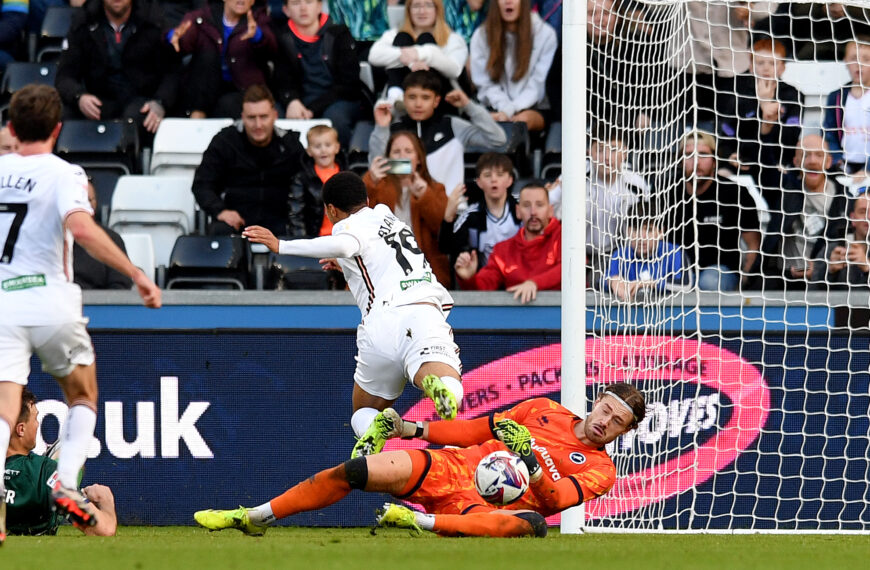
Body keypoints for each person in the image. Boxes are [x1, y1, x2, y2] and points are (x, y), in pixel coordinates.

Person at [0, 84, 161, 545]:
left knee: (6, 400)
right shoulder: (64, 172)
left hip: (4, 305)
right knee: (83, 395)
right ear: (57, 129)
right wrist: (135, 272)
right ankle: (66, 482)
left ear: (10, 129)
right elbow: (81, 228)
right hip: (50, 300)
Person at [194, 383, 646, 539]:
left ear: (625, 432)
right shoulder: (543, 409)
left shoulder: (601, 471)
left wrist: (529, 461)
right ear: (597, 402)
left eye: (619, 421)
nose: (606, 421)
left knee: (533, 526)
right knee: (355, 471)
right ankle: (254, 516)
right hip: (455, 467)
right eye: (606, 409)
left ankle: (417, 523)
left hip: (490, 509)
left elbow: (554, 500)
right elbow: (474, 431)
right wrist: (413, 429)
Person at [243, 172, 464, 459]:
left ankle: (378, 426)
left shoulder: (346, 228)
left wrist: (282, 246)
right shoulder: (386, 216)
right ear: (367, 200)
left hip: (381, 326)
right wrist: (350, 266)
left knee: (364, 410)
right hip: (421, 313)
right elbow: (374, 253)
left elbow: (348, 244)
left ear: (331, 210)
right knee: (448, 384)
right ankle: (438, 388)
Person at [55, 0, 180, 139]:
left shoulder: (153, 20)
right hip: (99, 99)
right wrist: (79, 96)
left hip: (141, 100)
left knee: (139, 120)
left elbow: (172, 72)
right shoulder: (85, 20)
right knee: (63, 116)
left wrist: (160, 102)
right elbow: (64, 76)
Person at [370, 70, 506, 197]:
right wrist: (381, 127)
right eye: (412, 97)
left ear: (436, 101)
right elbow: (377, 167)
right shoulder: (394, 130)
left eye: (425, 97)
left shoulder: (452, 126)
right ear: (404, 99)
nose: (418, 104)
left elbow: (497, 139)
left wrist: (468, 105)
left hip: (450, 210)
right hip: (405, 213)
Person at [192, 85, 306, 236]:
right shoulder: (225, 142)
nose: (258, 125)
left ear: (275, 115)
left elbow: (309, 183)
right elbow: (202, 184)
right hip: (237, 222)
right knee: (219, 231)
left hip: (282, 222)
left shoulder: (290, 145)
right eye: (251, 118)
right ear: (243, 116)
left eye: (263, 117)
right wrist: (221, 211)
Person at [4, 390, 117, 536]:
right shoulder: (46, 472)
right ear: (21, 429)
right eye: (36, 418)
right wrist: (106, 501)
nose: (38, 424)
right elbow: (103, 529)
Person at [718, 38, 802, 210]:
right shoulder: (738, 95)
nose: (765, 68)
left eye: (772, 63)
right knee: (721, 177)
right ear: (751, 66)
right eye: (760, 62)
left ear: (782, 67)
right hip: (744, 161)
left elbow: (790, 137)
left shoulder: (792, 96)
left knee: (786, 185)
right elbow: (725, 137)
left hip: (777, 162)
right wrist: (730, 156)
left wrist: (766, 104)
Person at [672, 130, 761, 291]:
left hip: (720, 273)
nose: (696, 161)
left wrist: (744, 280)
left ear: (714, 160)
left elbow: (753, 244)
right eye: (689, 154)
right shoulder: (668, 192)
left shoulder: (735, 193)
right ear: (680, 161)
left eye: (703, 154)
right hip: (676, 271)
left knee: (709, 281)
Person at [271, 0, 365, 149]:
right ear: (285, 10)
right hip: (300, 100)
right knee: (270, 114)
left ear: (320, 6)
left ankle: (341, 162)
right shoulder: (282, 37)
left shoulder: (339, 33)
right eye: (296, 3)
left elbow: (349, 84)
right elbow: (281, 79)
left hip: (337, 100)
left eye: (309, 2)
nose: (303, 8)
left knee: (336, 118)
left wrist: (313, 109)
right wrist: (292, 100)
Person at [364, 130, 451, 287]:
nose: (402, 156)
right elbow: (359, 220)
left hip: (424, 270)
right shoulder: (377, 186)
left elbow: (443, 231)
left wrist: (425, 196)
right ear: (388, 158)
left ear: (418, 159)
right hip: (382, 267)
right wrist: (371, 182)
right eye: (396, 152)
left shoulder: (435, 189)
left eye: (408, 151)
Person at [761, 134, 847, 290]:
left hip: (827, 282)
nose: (812, 161)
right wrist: (767, 125)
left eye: (819, 155)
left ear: (829, 162)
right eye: (805, 155)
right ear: (796, 161)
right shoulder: (784, 191)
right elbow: (763, 166)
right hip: (783, 282)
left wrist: (820, 268)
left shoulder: (845, 200)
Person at [168, 0, 277, 119]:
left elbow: (272, 48)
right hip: (205, 89)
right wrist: (175, 37)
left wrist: (257, 35)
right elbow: (184, 39)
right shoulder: (203, 16)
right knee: (207, 57)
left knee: (226, 104)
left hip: (242, 90)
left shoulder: (259, 19)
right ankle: (197, 117)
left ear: (252, 2)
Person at [454, 182, 561, 303]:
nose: (533, 212)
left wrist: (535, 283)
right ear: (518, 211)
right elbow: (484, 288)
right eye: (526, 205)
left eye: (540, 205)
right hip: (517, 319)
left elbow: (571, 270)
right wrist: (468, 278)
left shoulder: (565, 237)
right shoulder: (503, 250)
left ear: (550, 210)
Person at [469, 0, 558, 132]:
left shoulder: (545, 34)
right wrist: (504, 110)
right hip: (495, 107)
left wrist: (510, 111)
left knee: (523, 121)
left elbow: (537, 85)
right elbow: (485, 85)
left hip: (533, 107)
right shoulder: (480, 36)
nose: (508, 2)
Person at [581, 125, 650, 287]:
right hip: (576, 253)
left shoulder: (636, 185)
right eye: (599, 150)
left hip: (618, 255)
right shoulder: (574, 177)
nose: (606, 157)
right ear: (588, 152)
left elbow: (643, 228)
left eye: (613, 150)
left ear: (625, 152)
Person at [368, 0, 469, 106]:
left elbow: (455, 69)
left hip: (439, 98)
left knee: (426, 38)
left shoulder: (453, 38)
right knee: (403, 37)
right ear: (409, 10)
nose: (422, 11)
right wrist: (410, 61)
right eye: (416, 6)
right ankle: (396, 96)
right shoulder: (394, 33)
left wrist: (423, 53)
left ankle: (426, 99)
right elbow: (374, 55)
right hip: (403, 94)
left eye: (428, 5)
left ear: (437, 10)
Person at [438, 152, 520, 273]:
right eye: (487, 175)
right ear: (479, 182)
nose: (494, 180)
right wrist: (448, 216)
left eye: (500, 174)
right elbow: (445, 247)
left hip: (522, 278)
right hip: (487, 283)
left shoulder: (523, 204)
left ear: (510, 180)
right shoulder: (471, 215)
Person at [606, 201, 685, 302]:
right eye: (635, 229)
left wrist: (651, 284)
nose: (641, 237)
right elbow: (599, 281)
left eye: (649, 230)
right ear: (628, 232)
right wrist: (612, 281)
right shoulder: (620, 255)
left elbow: (686, 284)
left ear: (661, 232)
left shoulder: (674, 253)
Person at [73, 179, 135, 290]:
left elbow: (120, 285)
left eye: (87, 200)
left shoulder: (111, 239)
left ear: (95, 203)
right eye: (76, 201)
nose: (82, 206)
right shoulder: (47, 239)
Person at [289, 124, 346, 237]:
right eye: (317, 146)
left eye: (328, 145)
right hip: (316, 239)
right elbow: (296, 213)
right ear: (309, 151)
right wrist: (302, 243)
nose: (323, 150)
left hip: (344, 237)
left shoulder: (347, 175)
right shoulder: (302, 178)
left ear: (337, 147)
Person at [823, 35, 870, 173]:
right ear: (845, 61)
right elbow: (829, 131)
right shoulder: (836, 97)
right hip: (844, 165)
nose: (859, 64)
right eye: (853, 59)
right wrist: (838, 160)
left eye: (866, 59)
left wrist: (867, 170)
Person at [824, 191, 870, 288]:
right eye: (862, 212)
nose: (868, 217)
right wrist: (830, 272)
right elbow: (813, 293)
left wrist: (867, 268)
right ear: (853, 218)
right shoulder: (831, 250)